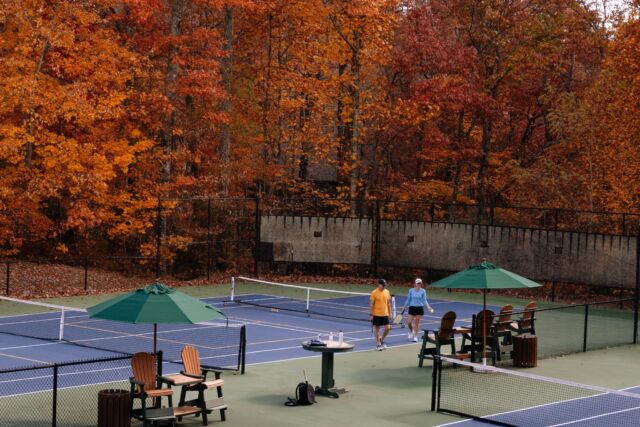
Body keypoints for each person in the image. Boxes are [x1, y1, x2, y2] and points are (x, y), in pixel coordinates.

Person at [405, 278, 433, 342]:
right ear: (415, 284)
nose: (419, 284)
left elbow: (424, 300)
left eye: (420, 283)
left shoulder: (423, 291)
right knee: (409, 322)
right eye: (418, 283)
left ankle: (415, 336)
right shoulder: (411, 290)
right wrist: (405, 306)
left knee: (417, 323)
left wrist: (428, 307)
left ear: (421, 284)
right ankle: (411, 331)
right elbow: (408, 299)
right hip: (412, 307)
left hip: (419, 308)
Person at [370, 278, 392, 351]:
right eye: (383, 285)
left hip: (385, 314)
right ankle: (378, 344)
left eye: (385, 285)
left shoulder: (387, 292)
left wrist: (390, 313)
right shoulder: (374, 292)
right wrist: (371, 314)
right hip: (376, 314)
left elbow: (388, 303)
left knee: (388, 328)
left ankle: (381, 339)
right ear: (379, 285)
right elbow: (371, 304)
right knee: (377, 329)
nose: (384, 287)